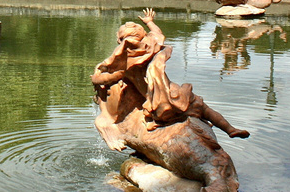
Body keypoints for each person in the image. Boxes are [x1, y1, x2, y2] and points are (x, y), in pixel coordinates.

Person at [92, 8, 249, 148]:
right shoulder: (152, 47)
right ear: (144, 36)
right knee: (204, 108)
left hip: (156, 104)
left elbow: (105, 80)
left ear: (120, 42)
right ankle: (230, 129)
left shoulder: (126, 65)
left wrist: (97, 77)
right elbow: (158, 34)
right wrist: (150, 22)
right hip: (174, 92)